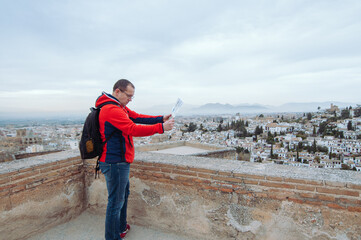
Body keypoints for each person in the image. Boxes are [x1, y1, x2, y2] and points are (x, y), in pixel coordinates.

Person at [96, 79, 174, 240]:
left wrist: (160, 119)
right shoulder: (111, 109)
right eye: (129, 96)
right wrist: (161, 128)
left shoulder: (119, 107)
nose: (130, 100)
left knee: (122, 195)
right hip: (114, 162)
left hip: (119, 160)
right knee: (115, 203)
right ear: (117, 91)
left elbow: (137, 117)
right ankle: (112, 237)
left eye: (132, 97)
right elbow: (132, 128)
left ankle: (121, 227)